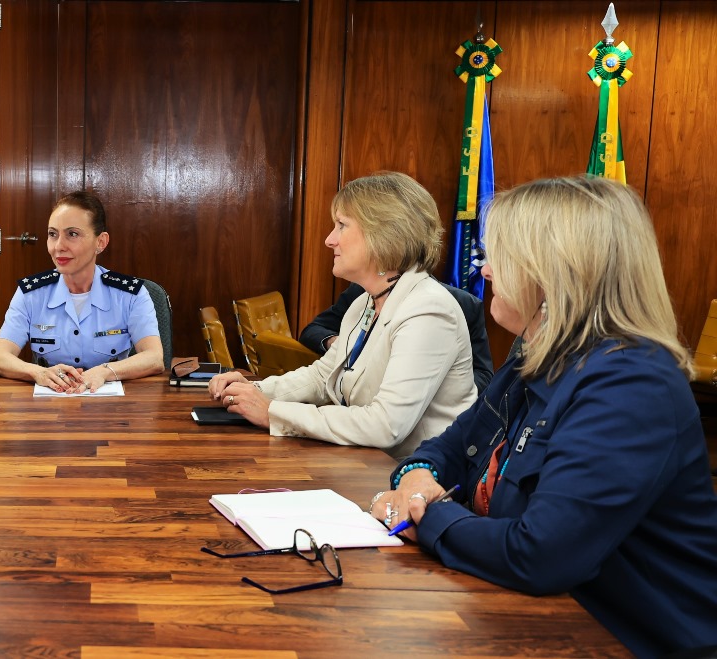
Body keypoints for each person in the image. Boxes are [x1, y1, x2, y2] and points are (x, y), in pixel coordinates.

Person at [371, 177, 717, 656]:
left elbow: (541, 554)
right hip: (531, 619)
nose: (485, 269)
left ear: (554, 273)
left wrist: (425, 515)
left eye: (501, 256)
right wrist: (414, 478)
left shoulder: (632, 385)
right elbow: (449, 448)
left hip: (630, 639)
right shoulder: (534, 355)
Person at [209, 172, 476, 459]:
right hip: (368, 466)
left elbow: (386, 425)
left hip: (418, 475)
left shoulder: (428, 310)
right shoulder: (365, 302)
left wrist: (272, 413)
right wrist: (253, 390)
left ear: (383, 233)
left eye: (341, 225)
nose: (329, 240)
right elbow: (322, 377)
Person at [0, 191, 163, 392]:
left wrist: (105, 372)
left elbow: (154, 358)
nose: (59, 246)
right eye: (53, 234)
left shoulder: (130, 294)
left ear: (101, 242)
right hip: (51, 403)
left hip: (111, 405)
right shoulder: (31, 294)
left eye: (72, 234)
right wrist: (38, 373)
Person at [300, 282, 495, 394]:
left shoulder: (463, 304)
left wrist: (429, 382)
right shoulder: (364, 293)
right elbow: (312, 331)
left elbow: (483, 376)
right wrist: (340, 345)